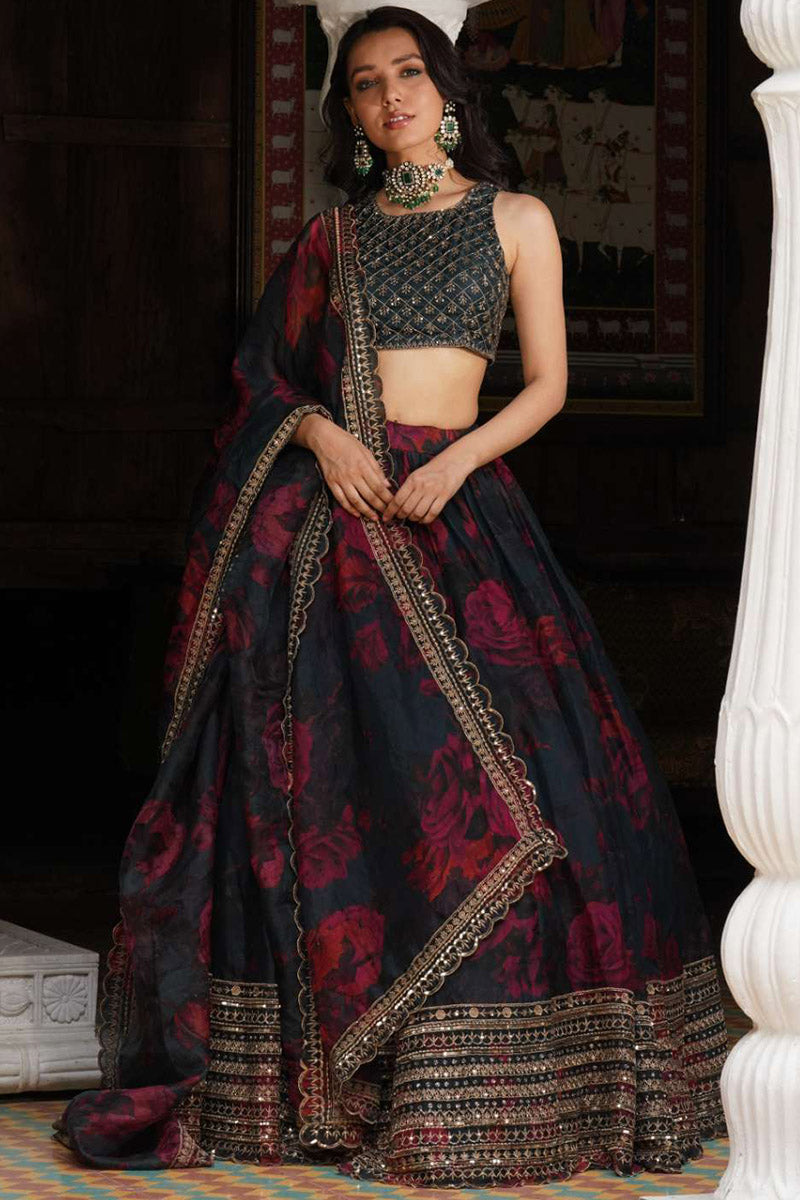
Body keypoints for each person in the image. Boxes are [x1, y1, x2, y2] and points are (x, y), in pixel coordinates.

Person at [52, 2, 728, 1188]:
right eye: (363, 84)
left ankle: (501, 1081)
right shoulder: (331, 239)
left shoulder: (515, 218)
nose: (390, 96)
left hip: (456, 509)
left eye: (408, 73)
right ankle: (329, 1077)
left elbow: (548, 385)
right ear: (349, 116)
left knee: (516, 789)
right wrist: (319, 435)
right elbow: (264, 380)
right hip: (336, 522)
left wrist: (457, 463)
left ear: (450, 89)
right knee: (335, 788)